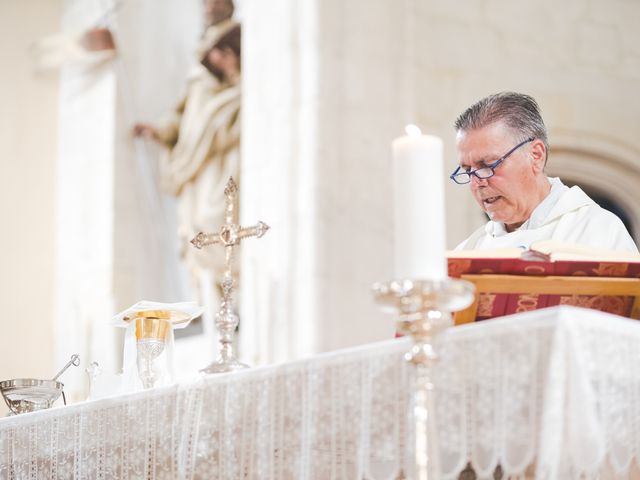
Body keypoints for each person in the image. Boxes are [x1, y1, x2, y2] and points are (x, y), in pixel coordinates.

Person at [451, 92, 638, 253]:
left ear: (536, 155)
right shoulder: (470, 250)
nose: (476, 183)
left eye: (487, 165)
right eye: (468, 170)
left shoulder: (597, 231)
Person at [133, 14, 241, 287]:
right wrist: (161, 130)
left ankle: (233, 289)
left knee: (215, 215)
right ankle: (205, 294)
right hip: (192, 156)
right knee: (194, 227)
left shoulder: (236, 77)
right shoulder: (198, 76)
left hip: (217, 155)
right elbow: (182, 113)